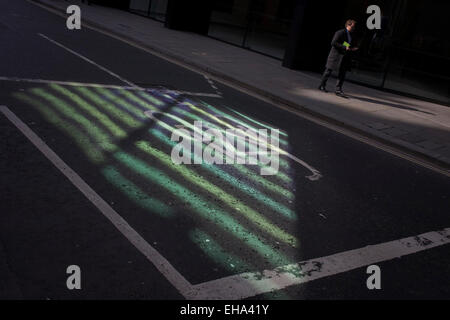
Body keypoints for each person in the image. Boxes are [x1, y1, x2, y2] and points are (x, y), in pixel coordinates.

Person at [319, 19, 358, 96]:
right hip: (335, 56)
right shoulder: (340, 32)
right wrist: (344, 47)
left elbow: (346, 43)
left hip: (344, 57)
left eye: (354, 27)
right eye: (352, 27)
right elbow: (333, 42)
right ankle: (322, 85)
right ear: (348, 25)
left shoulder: (351, 35)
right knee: (328, 72)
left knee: (342, 74)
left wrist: (352, 48)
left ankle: (338, 90)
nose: (354, 28)